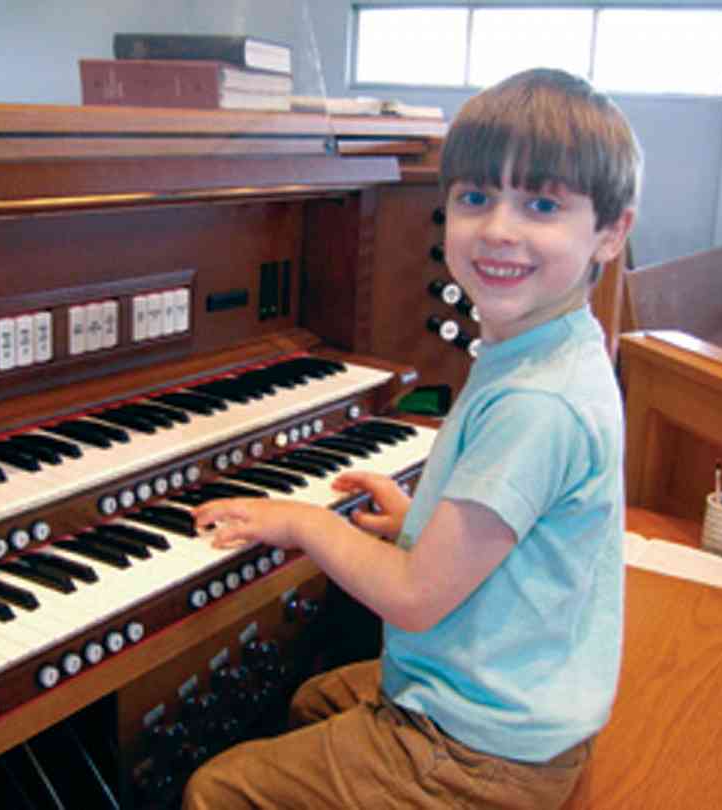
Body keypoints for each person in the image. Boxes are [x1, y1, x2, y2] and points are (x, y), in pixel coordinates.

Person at [183, 67, 641, 810]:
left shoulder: (538, 401)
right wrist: (415, 522)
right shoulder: (552, 346)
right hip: (521, 699)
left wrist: (299, 522)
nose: (499, 228)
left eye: (542, 203)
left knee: (218, 790)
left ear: (610, 233)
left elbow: (416, 598)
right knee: (314, 700)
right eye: (475, 197)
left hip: (479, 751)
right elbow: (515, 524)